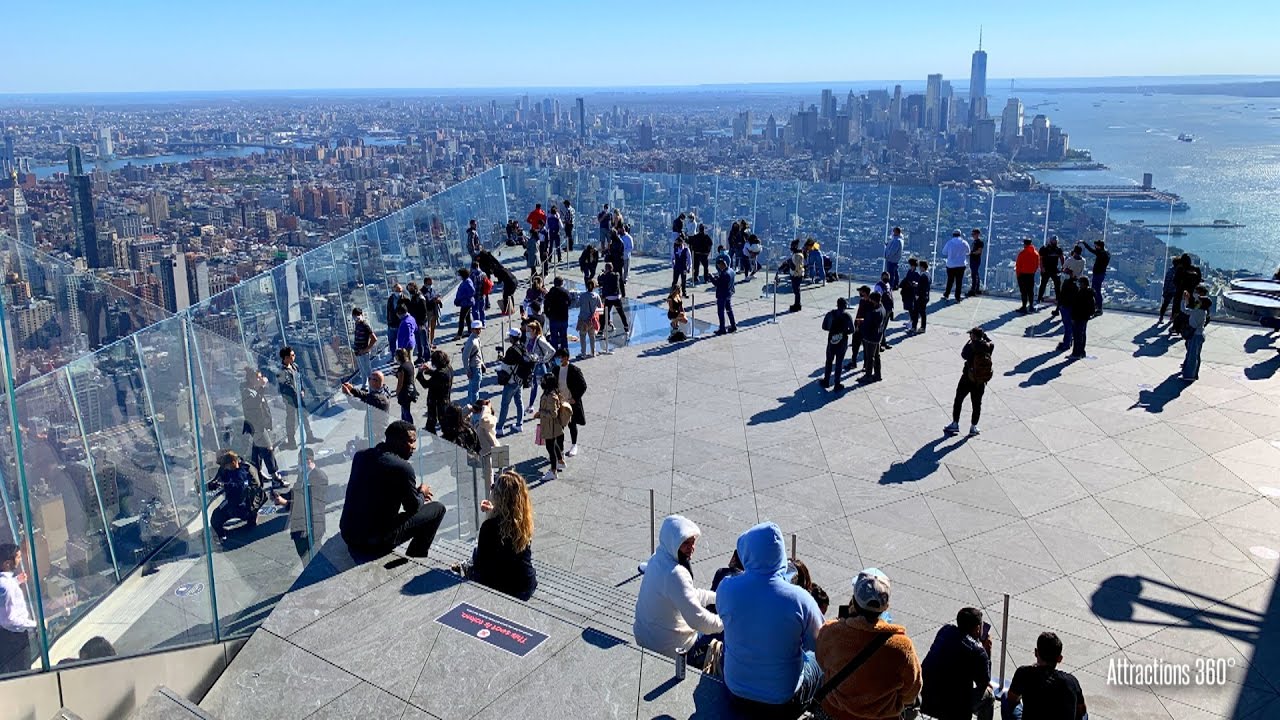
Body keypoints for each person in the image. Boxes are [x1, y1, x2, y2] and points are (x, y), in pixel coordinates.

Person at [717, 522, 824, 716]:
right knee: (816, 662)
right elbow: (819, 644)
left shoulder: (727, 588)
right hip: (782, 703)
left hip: (735, 692)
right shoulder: (801, 599)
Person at [814, 568, 922, 720]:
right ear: (886, 607)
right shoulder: (902, 646)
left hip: (835, 712)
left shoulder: (831, 632)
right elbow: (912, 689)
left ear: (854, 600)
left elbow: (821, 661)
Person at [340, 421, 446, 558]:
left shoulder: (361, 456)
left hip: (348, 534)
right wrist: (421, 493)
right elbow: (413, 507)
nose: (414, 447)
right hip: (374, 542)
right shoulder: (402, 468)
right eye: (411, 442)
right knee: (438, 508)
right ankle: (417, 555)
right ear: (398, 443)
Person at [634, 515, 723, 666]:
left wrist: (717, 597)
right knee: (724, 631)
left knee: (713, 610)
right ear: (673, 543)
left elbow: (688, 594)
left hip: (645, 636)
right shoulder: (676, 574)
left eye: (693, 542)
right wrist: (725, 623)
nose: (691, 548)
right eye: (685, 543)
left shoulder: (657, 558)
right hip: (669, 649)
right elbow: (698, 620)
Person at [461, 470, 538, 600]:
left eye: (493, 488)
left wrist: (491, 517)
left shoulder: (489, 527)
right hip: (526, 584)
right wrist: (494, 511)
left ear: (498, 496)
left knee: (474, 556)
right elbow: (508, 523)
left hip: (506, 587)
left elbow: (481, 564)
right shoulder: (524, 523)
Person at [921, 607, 994, 720]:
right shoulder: (978, 651)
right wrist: (987, 651)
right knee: (989, 695)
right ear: (978, 628)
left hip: (927, 698)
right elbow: (984, 682)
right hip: (955, 709)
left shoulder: (945, 630)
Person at [1003, 632, 1087, 720]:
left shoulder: (1024, 673)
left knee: (1005, 697)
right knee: (1083, 715)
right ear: (1060, 659)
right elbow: (1082, 710)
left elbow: (1012, 698)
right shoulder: (1072, 681)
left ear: (1036, 652)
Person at [208, 450, 267, 543]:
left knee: (245, 512)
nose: (226, 469)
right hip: (232, 500)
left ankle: (252, 516)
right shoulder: (226, 468)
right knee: (215, 519)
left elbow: (245, 488)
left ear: (234, 462)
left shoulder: (247, 470)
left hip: (248, 501)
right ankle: (222, 535)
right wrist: (213, 484)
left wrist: (225, 485)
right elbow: (219, 478)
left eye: (227, 466)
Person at [945, 327, 994, 436]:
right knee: (977, 404)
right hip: (980, 381)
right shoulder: (988, 347)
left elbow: (963, 355)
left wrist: (969, 342)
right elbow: (992, 343)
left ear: (973, 336)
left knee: (958, 399)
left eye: (970, 335)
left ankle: (955, 424)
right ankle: (973, 427)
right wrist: (984, 336)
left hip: (967, 378)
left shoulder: (971, 346)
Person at [241, 367, 282, 486]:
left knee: (257, 451)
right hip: (256, 426)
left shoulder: (255, 389)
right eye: (257, 377)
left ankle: (257, 473)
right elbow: (255, 403)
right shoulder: (247, 392)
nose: (260, 379)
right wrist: (262, 387)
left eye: (260, 376)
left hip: (261, 424)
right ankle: (275, 476)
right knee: (268, 448)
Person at [0, 542, 36, 675]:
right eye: (18, 557)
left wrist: (16, 580)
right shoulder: (6, 587)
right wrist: (34, 624)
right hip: (14, 640)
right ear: (7, 564)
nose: (20, 560)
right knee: (23, 672)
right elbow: (8, 620)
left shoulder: (6, 584)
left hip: (10, 638)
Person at [288, 448, 330, 556]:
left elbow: (312, 504)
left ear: (309, 461)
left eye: (300, 462)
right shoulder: (302, 474)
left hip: (312, 526)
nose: (298, 465)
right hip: (301, 526)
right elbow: (297, 492)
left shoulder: (320, 477)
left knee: (314, 557)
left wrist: (286, 503)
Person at [278, 346, 319, 449]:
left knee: (304, 416)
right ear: (286, 358)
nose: (294, 357)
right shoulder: (282, 371)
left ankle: (309, 436)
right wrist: (295, 393)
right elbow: (286, 386)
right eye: (292, 355)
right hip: (290, 400)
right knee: (291, 419)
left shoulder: (295, 366)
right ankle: (291, 441)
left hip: (299, 397)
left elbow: (299, 379)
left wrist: (302, 390)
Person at [537, 374, 572, 482]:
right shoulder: (549, 393)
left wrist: (540, 413)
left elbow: (553, 414)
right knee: (554, 444)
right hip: (549, 425)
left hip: (551, 426)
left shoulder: (551, 396)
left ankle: (553, 471)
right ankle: (560, 461)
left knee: (550, 448)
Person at [554, 347, 588, 457]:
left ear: (567, 358)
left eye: (561, 357)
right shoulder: (556, 370)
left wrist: (575, 398)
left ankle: (574, 445)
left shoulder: (574, 370)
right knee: (559, 427)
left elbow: (583, 385)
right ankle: (560, 450)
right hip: (559, 402)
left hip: (570, 403)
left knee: (572, 424)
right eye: (558, 357)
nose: (559, 360)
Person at [341, 371, 391, 444]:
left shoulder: (377, 399)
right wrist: (352, 390)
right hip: (380, 426)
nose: (368, 380)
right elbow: (367, 396)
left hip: (376, 430)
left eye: (370, 378)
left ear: (375, 382)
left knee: (376, 446)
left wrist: (347, 394)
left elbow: (358, 404)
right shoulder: (384, 389)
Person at [496, 329, 529, 435]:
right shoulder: (523, 347)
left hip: (510, 382)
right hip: (519, 380)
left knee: (505, 405)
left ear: (512, 338)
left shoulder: (511, 350)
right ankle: (519, 424)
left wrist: (500, 362)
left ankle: (499, 428)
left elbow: (505, 367)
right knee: (519, 402)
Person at [821, 297, 855, 391]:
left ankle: (826, 381)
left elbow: (824, 327)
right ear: (845, 306)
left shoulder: (830, 314)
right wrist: (844, 333)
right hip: (842, 342)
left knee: (829, 361)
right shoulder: (847, 316)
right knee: (839, 363)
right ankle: (837, 383)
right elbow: (852, 330)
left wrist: (833, 332)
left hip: (831, 341)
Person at [523, 320, 556, 412]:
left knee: (545, 386)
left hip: (540, 367)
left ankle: (549, 403)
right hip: (533, 366)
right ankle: (531, 405)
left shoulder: (540, 340)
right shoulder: (529, 339)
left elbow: (552, 350)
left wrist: (544, 360)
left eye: (529, 330)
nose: (527, 332)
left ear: (534, 330)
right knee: (534, 387)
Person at [418, 349, 453, 434]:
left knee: (433, 424)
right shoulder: (449, 368)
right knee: (445, 423)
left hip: (436, 402)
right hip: (446, 399)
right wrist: (429, 371)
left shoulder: (439, 374)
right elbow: (439, 373)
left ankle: (437, 443)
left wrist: (420, 374)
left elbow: (426, 384)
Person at [1181, 288, 1210, 381]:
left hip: (1195, 335)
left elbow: (1184, 310)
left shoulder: (1197, 312)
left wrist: (1184, 299)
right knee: (1195, 355)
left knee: (1192, 355)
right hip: (1199, 335)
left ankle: (1189, 375)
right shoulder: (1202, 311)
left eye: (1198, 302)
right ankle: (1193, 373)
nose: (1197, 302)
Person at [471, 399, 500, 487]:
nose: (474, 414)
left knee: (488, 483)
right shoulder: (476, 422)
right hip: (477, 455)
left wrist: (486, 408)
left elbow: (483, 420)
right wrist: (468, 409)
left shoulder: (489, 420)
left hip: (487, 455)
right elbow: (460, 419)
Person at [859, 292, 886, 382]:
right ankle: (878, 374)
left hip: (870, 338)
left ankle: (868, 376)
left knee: (870, 357)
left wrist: (861, 324)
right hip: (878, 337)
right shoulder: (882, 308)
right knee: (877, 356)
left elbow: (867, 325)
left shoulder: (874, 313)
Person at [1080, 239, 1109, 316]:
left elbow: (1091, 250)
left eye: (1096, 246)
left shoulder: (1101, 254)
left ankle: (1099, 308)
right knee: (1095, 290)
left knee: (1096, 291)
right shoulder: (1106, 253)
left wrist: (1084, 242)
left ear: (1099, 246)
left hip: (1098, 274)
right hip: (1100, 274)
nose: (1095, 247)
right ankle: (1096, 306)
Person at [350, 307, 377, 388]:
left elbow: (374, 338)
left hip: (363, 353)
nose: (356, 317)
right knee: (362, 371)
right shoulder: (357, 324)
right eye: (355, 316)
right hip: (358, 352)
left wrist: (366, 349)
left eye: (358, 315)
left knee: (368, 371)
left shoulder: (365, 325)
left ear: (361, 315)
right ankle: (364, 386)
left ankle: (373, 388)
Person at [599, 263, 630, 334]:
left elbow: (599, 279)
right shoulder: (617, 275)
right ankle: (626, 328)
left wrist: (603, 273)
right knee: (621, 313)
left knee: (605, 315)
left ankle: (601, 331)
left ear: (606, 269)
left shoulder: (604, 276)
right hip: (616, 298)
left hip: (608, 298)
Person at [461, 320, 486, 405]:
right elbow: (465, 357)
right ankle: (475, 411)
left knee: (472, 390)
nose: (478, 331)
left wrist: (482, 363)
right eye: (476, 329)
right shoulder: (472, 341)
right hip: (474, 368)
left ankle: (469, 409)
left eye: (479, 329)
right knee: (475, 392)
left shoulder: (476, 338)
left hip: (477, 366)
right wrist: (467, 370)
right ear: (472, 329)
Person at [544, 276, 573, 351]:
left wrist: (548, 315)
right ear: (562, 283)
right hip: (563, 318)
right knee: (564, 337)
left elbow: (545, 306)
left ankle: (555, 353)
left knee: (554, 338)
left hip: (553, 319)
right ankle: (565, 353)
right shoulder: (565, 292)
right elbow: (570, 302)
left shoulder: (550, 293)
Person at [575, 279, 602, 358]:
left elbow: (577, 304)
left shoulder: (582, 296)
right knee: (592, 336)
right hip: (592, 319)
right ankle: (593, 352)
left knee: (582, 336)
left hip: (583, 319)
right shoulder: (596, 296)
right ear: (594, 287)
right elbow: (600, 306)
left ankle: (583, 353)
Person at [1070, 277, 1095, 359]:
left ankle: (1076, 353)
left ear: (1083, 284)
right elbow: (1092, 308)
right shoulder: (1090, 294)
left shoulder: (1080, 294)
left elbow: (1075, 306)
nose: (1078, 284)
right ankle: (1081, 352)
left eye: (1080, 283)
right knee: (1082, 335)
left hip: (1078, 317)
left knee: (1077, 335)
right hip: (1085, 317)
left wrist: (1073, 317)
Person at [712, 258, 738, 335]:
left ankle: (722, 328)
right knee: (729, 310)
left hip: (722, 295)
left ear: (721, 265)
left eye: (719, 266)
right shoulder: (731, 271)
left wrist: (712, 278)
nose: (718, 268)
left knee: (721, 312)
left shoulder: (724, 274)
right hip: (728, 294)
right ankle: (733, 325)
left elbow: (717, 284)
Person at [405, 282, 429, 362]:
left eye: (411, 288)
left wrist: (422, 323)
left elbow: (424, 311)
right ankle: (420, 357)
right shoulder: (413, 297)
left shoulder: (420, 297)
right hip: (415, 322)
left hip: (421, 322)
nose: (410, 290)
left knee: (424, 341)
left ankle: (427, 357)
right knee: (418, 341)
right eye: (409, 288)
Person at [943, 230, 970, 302]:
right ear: (960, 235)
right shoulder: (964, 242)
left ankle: (946, 294)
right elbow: (968, 251)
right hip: (961, 265)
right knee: (959, 281)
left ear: (953, 235)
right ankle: (957, 297)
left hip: (951, 265)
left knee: (950, 280)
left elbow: (944, 252)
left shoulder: (949, 243)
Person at [391, 347, 416, 424]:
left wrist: (397, 392)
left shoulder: (402, 368)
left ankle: (410, 427)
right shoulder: (410, 364)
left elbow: (400, 383)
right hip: (411, 390)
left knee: (406, 412)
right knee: (405, 411)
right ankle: (405, 426)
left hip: (405, 393)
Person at [1016, 239, 1041, 313]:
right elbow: (1037, 265)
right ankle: (1031, 306)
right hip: (1031, 275)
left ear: (1024, 244)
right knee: (1030, 291)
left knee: (1023, 291)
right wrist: (1032, 271)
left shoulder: (1022, 253)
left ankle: (1024, 307)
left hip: (1022, 275)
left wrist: (1018, 275)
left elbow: (1018, 265)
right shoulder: (1036, 254)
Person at [1038, 236, 1064, 307]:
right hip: (1046, 269)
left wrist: (1063, 266)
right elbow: (1040, 259)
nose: (1055, 242)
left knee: (1057, 285)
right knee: (1043, 284)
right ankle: (1039, 298)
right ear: (1050, 241)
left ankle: (1058, 299)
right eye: (1054, 241)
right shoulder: (1044, 249)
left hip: (1054, 269)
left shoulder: (1058, 249)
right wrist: (1042, 267)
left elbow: (1062, 258)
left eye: (1056, 241)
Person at [1056, 270, 1078, 352]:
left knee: (1068, 326)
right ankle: (1068, 342)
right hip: (1067, 306)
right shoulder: (1072, 283)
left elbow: (1063, 295)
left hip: (1067, 306)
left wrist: (1060, 304)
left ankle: (1066, 343)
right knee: (1069, 326)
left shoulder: (1069, 284)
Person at [453, 268, 477, 340]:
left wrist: (462, 298)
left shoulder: (467, 282)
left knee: (462, 318)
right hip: (465, 302)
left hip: (466, 303)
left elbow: (471, 291)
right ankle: (470, 330)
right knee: (467, 317)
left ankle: (459, 334)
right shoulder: (466, 281)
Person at [386, 283, 406, 358]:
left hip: (401, 324)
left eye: (400, 290)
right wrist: (388, 321)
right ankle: (393, 356)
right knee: (392, 341)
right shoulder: (390, 299)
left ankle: (403, 357)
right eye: (397, 290)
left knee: (402, 342)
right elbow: (388, 311)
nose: (399, 292)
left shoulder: (405, 299)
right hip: (391, 324)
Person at [913, 261, 931, 334]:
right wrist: (918, 284)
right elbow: (924, 285)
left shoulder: (923, 276)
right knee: (922, 312)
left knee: (918, 312)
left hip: (921, 297)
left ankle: (919, 327)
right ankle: (919, 327)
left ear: (922, 267)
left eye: (920, 266)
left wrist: (917, 295)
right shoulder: (928, 275)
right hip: (926, 296)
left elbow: (920, 288)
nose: (919, 268)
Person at [967, 228, 985, 296]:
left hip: (976, 260)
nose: (972, 235)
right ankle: (976, 288)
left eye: (973, 234)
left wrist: (972, 253)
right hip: (972, 259)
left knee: (974, 274)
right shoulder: (974, 242)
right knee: (974, 274)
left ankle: (973, 289)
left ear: (977, 234)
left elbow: (979, 251)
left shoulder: (980, 242)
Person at [789, 240, 805, 312]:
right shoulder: (797, 254)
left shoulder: (798, 255)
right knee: (796, 290)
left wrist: (796, 274)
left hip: (796, 275)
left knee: (796, 290)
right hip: (797, 274)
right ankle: (797, 304)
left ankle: (797, 305)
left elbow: (798, 266)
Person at [619, 224, 635, 292]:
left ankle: (624, 280)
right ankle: (620, 280)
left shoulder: (628, 237)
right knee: (620, 269)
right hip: (619, 256)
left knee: (626, 269)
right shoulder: (619, 237)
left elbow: (631, 247)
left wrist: (624, 252)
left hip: (626, 256)